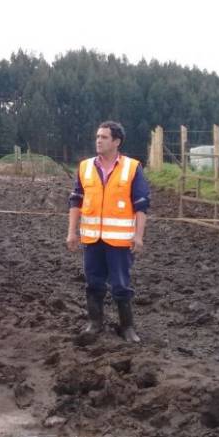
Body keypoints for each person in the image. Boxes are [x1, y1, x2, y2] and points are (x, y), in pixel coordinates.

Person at [66, 121, 150, 343]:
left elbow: (141, 205)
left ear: (116, 142)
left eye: (103, 137)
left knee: (121, 284)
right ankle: (95, 323)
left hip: (120, 241)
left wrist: (138, 236)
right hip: (92, 239)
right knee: (93, 281)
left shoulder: (132, 168)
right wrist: (72, 232)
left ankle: (127, 327)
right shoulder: (85, 167)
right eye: (97, 137)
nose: (98, 140)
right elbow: (76, 200)